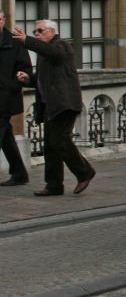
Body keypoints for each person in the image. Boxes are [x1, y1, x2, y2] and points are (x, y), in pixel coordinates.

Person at [13, 20, 95, 196]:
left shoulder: (61, 46)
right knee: (50, 146)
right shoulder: (45, 53)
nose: (37, 34)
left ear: (52, 31)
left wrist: (26, 40)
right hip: (52, 105)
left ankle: (85, 172)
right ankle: (54, 185)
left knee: (60, 141)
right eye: (34, 31)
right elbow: (44, 78)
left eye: (40, 31)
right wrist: (28, 79)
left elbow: (53, 53)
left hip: (64, 104)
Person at [0, 11, 32, 187]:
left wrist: (11, 87)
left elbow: (26, 69)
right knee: (6, 137)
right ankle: (19, 173)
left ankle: (19, 174)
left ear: (3, 20)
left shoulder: (13, 41)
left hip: (5, 98)